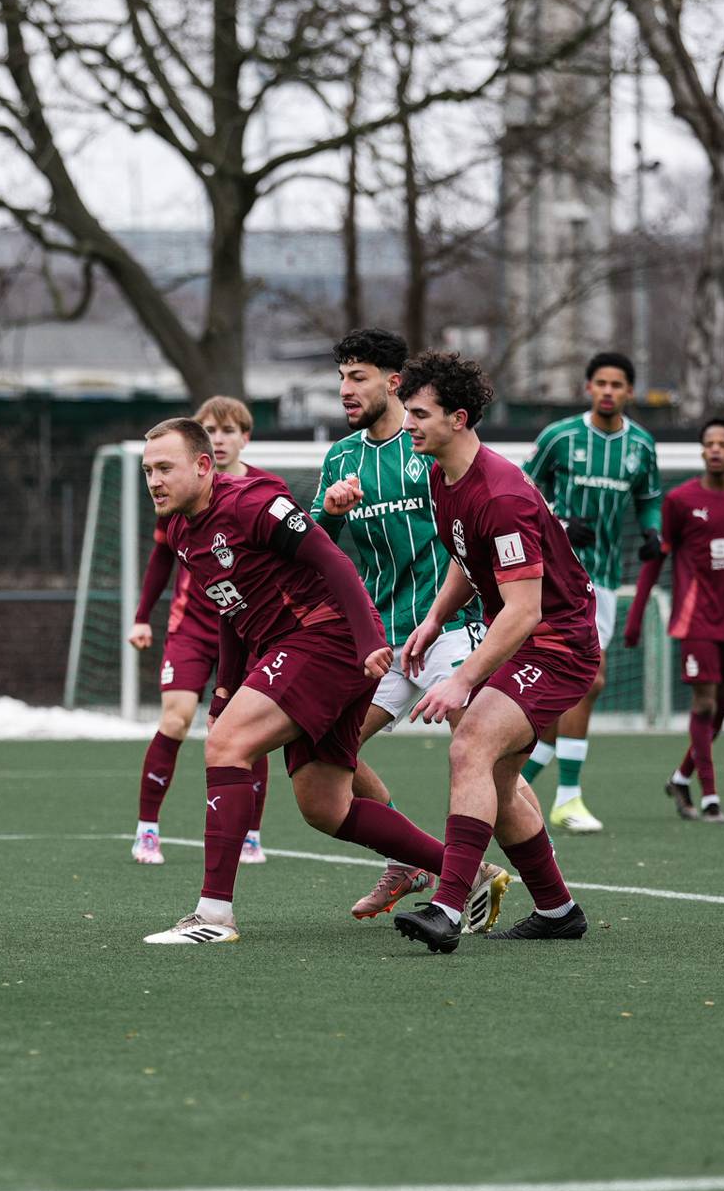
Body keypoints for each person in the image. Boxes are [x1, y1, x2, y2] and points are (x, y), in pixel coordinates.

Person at [136, 418, 501, 944]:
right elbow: (231, 607)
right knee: (325, 808)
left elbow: (334, 562)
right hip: (304, 649)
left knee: (226, 745)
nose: (154, 480)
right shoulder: (179, 529)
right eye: (148, 470)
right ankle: (469, 875)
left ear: (202, 465)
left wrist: (366, 642)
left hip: (323, 641)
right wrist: (223, 689)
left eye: (165, 468)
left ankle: (213, 916)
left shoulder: (253, 501)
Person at [392, 352, 594, 954]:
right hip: (518, 636)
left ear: (458, 418)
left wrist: (460, 681)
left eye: (420, 414)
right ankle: (559, 910)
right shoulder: (442, 473)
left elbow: (526, 610)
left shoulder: (502, 495)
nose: (408, 424)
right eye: (407, 412)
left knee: (471, 742)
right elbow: (464, 556)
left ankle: (448, 909)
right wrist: (433, 618)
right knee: (497, 779)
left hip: (556, 644)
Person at [315, 328, 503, 924]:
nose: (345, 389)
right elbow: (314, 550)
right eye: (341, 376)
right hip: (380, 642)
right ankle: (408, 858)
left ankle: (549, 887)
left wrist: (441, 614)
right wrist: (330, 512)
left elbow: (471, 538)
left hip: (449, 630)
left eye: (358, 376)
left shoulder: (431, 447)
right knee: (329, 753)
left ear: (394, 383)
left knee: (482, 753)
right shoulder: (341, 458)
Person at [518, 352, 663, 832]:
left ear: (628, 392)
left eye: (617, 384)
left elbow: (647, 501)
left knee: (580, 684)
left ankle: (524, 775)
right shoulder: (559, 437)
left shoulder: (641, 445)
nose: (607, 391)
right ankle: (569, 796)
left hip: (601, 578)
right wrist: (559, 520)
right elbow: (520, 492)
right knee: (586, 681)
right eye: (600, 382)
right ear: (587, 388)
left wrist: (652, 533)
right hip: (552, 576)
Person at [127, 396, 272, 867]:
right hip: (192, 626)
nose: (222, 436)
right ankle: (147, 829)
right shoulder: (175, 492)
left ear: (244, 438)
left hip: (249, 626)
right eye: (212, 428)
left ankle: (251, 833)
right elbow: (161, 558)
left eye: (230, 430)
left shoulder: (262, 493)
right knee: (175, 718)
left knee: (251, 726)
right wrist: (142, 615)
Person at [624, 419, 724, 823]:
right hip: (696, 620)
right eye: (709, 443)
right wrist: (636, 617)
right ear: (702, 450)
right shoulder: (681, 500)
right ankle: (709, 796)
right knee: (704, 702)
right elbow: (655, 561)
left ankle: (681, 776)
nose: (715, 449)